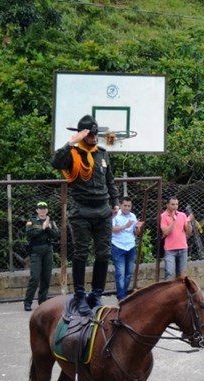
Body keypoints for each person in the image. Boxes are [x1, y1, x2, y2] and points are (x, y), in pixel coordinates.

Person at [51, 114, 118, 315]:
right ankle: (80, 296)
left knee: (103, 254)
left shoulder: (102, 154)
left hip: (103, 210)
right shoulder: (72, 153)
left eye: (96, 135)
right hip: (82, 211)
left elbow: (110, 180)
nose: (94, 138)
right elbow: (55, 163)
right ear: (82, 135)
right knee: (81, 253)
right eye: (90, 135)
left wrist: (114, 202)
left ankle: (96, 294)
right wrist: (71, 143)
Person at [23, 200, 59, 311]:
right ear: (37, 210)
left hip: (47, 251)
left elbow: (55, 235)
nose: (42, 210)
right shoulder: (32, 221)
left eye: (44, 209)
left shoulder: (51, 222)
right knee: (35, 277)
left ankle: (42, 301)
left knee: (46, 277)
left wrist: (47, 227)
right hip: (36, 251)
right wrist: (43, 228)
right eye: (40, 209)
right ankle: (28, 302)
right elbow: (29, 234)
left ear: (47, 210)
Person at [111, 197, 143, 300]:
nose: (127, 208)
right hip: (118, 246)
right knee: (120, 273)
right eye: (125, 205)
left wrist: (137, 228)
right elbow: (112, 229)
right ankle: (121, 297)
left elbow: (136, 232)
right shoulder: (116, 215)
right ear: (121, 205)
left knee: (129, 273)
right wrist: (125, 226)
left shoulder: (133, 216)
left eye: (129, 206)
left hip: (130, 246)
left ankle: (124, 293)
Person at [160, 196, 192, 280]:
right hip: (170, 250)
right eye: (173, 204)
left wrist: (188, 222)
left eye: (176, 204)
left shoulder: (182, 215)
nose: (175, 206)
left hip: (182, 248)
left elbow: (189, 232)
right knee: (169, 273)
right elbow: (166, 232)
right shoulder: (163, 216)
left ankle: (179, 289)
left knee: (182, 275)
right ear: (167, 205)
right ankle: (168, 288)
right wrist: (173, 220)